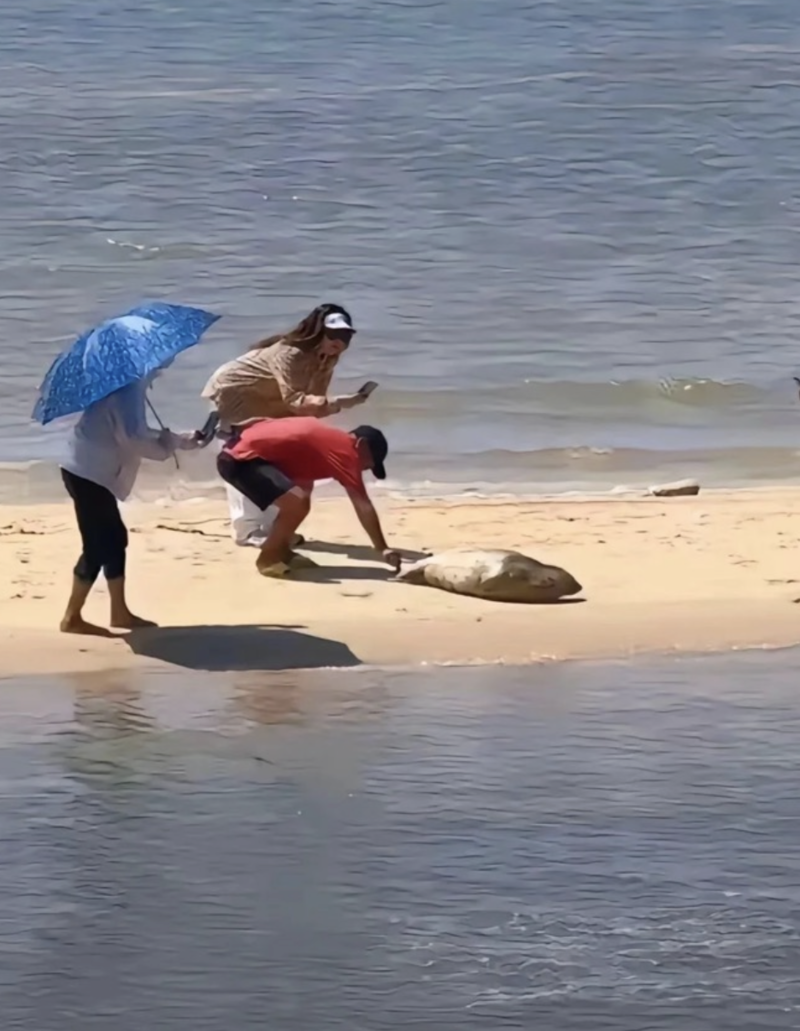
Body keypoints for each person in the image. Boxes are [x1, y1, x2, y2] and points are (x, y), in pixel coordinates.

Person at [201, 303, 376, 548]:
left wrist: (330, 409)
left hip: (269, 398)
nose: (339, 341)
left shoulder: (328, 357)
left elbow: (313, 401)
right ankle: (247, 530)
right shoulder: (291, 353)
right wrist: (341, 403)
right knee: (241, 455)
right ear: (318, 332)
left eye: (346, 336)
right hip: (235, 392)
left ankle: (274, 528)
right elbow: (296, 401)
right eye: (333, 334)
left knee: (278, 456)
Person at [59, 373, 201, 635]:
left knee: (115, 539)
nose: (162, 368)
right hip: (88, 474)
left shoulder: (124, 385)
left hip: (86, 469)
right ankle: (72, 618)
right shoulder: (128, 391)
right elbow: (132, 439)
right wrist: (166, 449)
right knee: (97, 546)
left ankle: (119, 612)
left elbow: (134, 431)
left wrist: (180, 440)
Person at [216, 416, 400, 578]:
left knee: (300, 500)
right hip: (240, 461)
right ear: (361, 444)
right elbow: (362, 505)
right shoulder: (345, 451)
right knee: (297, 504)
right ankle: (268, 559)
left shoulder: (325, 441)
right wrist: (382, 547)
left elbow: (267, 424)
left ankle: (282, 551)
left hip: (239, 454)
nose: (363, 470)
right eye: (367, 464)